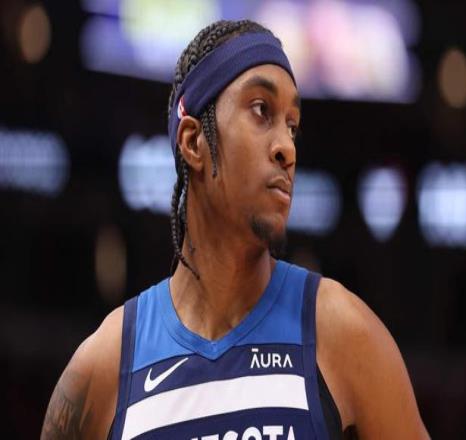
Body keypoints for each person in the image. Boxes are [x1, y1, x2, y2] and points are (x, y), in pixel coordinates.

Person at [41, 20, 430, 439]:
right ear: (193, 142)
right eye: (261, 110)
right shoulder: (104, 366)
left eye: (292, 125)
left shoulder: (342, 333)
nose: (287, 147)